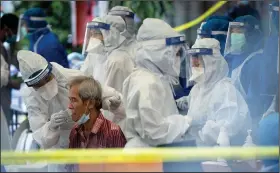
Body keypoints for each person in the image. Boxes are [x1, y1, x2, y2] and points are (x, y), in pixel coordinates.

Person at [17, 50, 124, 172]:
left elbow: (101, 94)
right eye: (39, 85)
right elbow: (40, 135)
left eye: (47, 79)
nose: (45, 86)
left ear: (51, 71)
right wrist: (52, 126)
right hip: (60, 153)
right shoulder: (32, 98)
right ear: (31, 86)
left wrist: (111, 103)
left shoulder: (72, 77)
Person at [122, 18, 192, 148]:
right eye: (174, 53)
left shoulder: (152, 77)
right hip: (147, 157)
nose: (177, 58)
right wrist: (185, 122)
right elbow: (154, 132)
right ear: (158, 52)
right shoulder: (147, 83)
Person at [176, 38, 250, 146]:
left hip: (219, 156)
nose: (193, 62)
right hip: (198, 151)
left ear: (211, 61)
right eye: (192, 57)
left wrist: (196, 128)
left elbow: (226, 129)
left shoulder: (225, 90)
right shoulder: (197, 89)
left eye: (198, 57)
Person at [67, 76, 126, 171]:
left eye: (74, 100)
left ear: (90, 103)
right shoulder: (75, 132)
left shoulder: (113, 133)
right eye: (70, 100)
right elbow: (70, 168)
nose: (69, 106)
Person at [81, 15, 134, 93]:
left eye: (95, 34)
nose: (92, 38)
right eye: (91, 34)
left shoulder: (118, 60)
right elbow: (82, 77)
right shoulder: (97, 54)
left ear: (110, 35)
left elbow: (113, 97)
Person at [0, 13, 23, 126]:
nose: (13, 36)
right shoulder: (1, 48)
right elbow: (3, 80)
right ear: (5, 28)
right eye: (13, 32)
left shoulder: (5, 48)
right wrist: (19, 84)